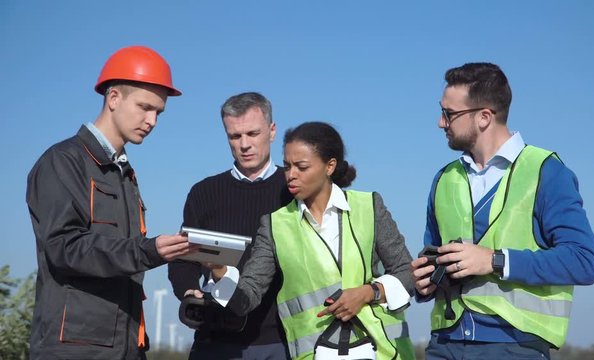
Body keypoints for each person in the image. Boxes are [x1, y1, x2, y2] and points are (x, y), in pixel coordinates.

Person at [411, 62, 594, 359]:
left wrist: (494, 261)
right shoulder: (444, 179)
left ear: (484, 117)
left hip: (514, 346)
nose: (440, 122)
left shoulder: (546, 172)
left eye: (449, 114)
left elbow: (583, 261)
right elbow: (434, 259)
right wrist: (425, 281)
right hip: (444, 343)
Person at [26, 45, 195, 360]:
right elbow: (64, 248)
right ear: (113, 98)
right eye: (145, 107)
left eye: (158, 112)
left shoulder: (125, 174)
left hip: (126, 346)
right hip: (74, 350)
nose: (152, 120)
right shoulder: (63, 162)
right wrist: (149, 250)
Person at [205, 121, 416, 360]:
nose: (291, 175)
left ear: (330, 166)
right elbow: (247, 298)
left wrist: (369, 292)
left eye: (301, 167)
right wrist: (221, 272)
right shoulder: (274, 225)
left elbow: (407, 274)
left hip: (381, 351)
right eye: (287, 167)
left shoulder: (369, 206)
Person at [168, 92, 294, 359]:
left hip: (283, 342)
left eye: (252, 133)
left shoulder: (295, 189)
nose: (244, 144)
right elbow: (182, 257)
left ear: (272, 131)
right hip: (214, 340)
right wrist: (188, 289)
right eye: (235, 137)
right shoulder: (203, 192)